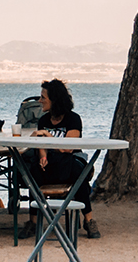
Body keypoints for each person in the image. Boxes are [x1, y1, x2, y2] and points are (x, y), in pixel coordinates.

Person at [18, 80, 99, 240]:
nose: (39, 101)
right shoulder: (43, 120)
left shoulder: (73, 119)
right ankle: (33, 222)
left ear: (54, 99)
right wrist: (42, 156)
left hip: (70, 161)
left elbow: (67, 148)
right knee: (32, 173)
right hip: (52, 163)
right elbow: (42, 146)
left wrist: (48, 136)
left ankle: (89, 220)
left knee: (79, 175)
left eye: (43, 97)